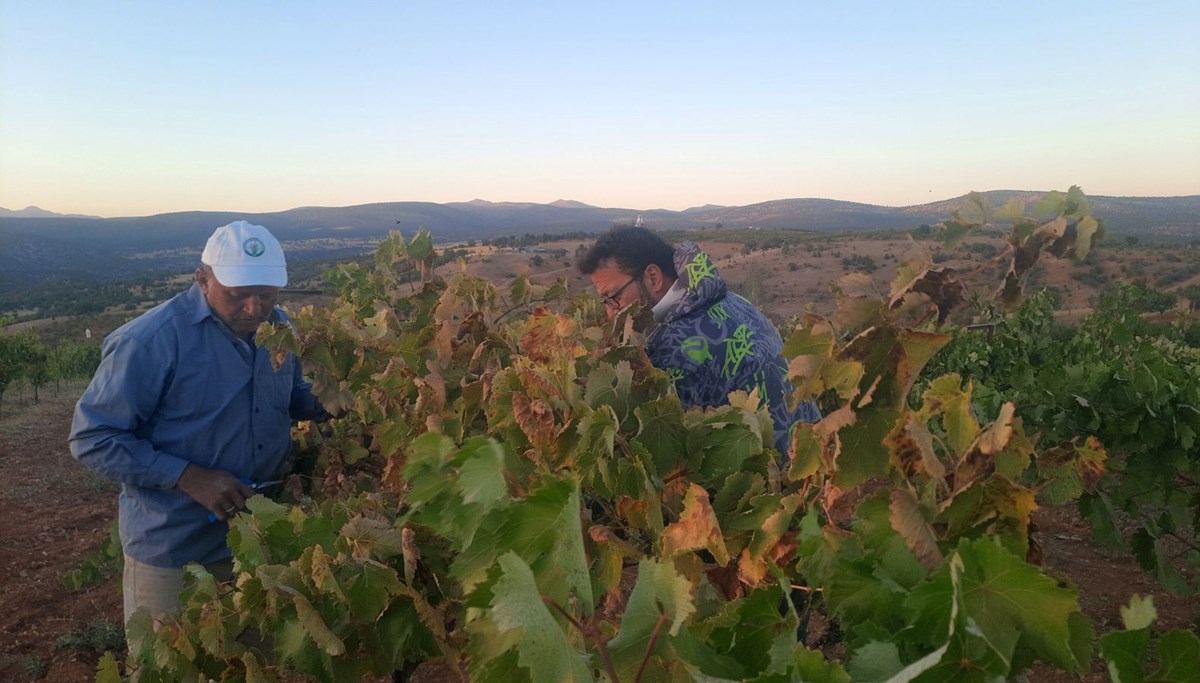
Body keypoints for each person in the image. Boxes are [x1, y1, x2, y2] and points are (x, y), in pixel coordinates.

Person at [69, 220, 326, 625]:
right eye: (239, 295)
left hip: (259, 541)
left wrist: (334, 400)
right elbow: (93, 438)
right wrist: (189, 476)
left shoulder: (281, 327)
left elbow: (291, 399)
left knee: (250, 665)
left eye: (267, 294)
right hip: (174, 550)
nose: (255, 309)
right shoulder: (149, 341)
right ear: (202, 279)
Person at [579, 225, 819, 456]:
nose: (610, 314)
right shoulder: (733, 301)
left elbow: (672, 454)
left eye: (613, 298)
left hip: (778, 484)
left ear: (653, 277)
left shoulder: (671, 349)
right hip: (815, 457)